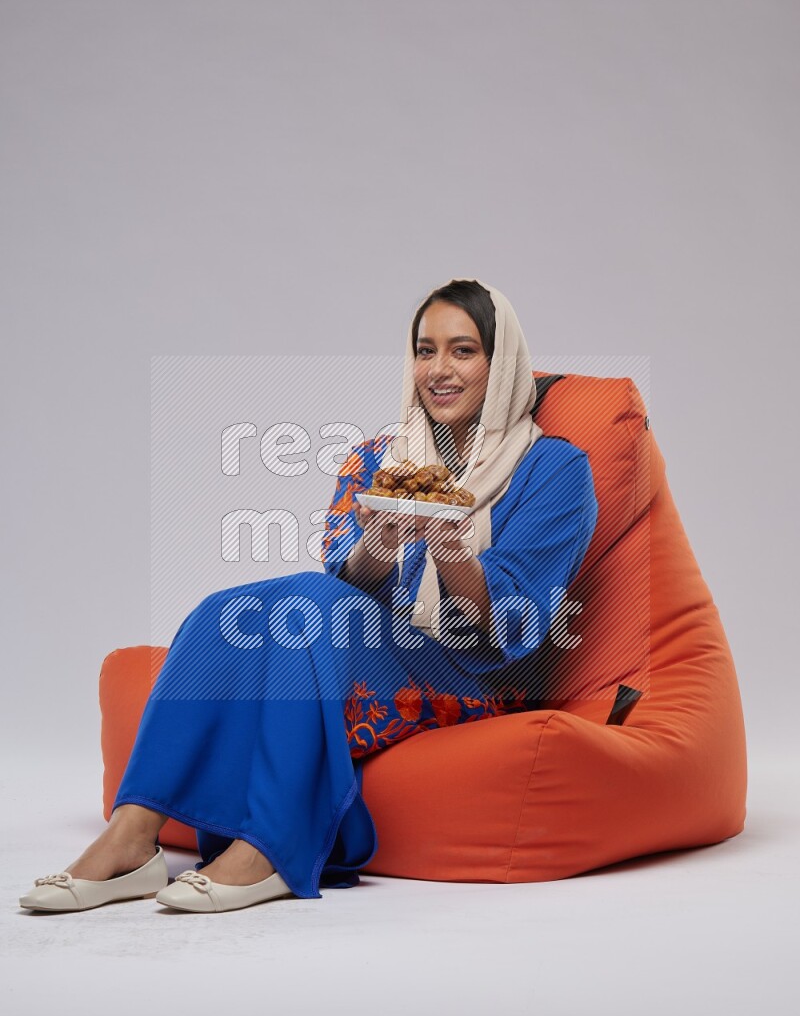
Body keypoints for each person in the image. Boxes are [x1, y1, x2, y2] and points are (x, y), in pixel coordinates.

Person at [19, 279, 599, 914]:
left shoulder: (556, 469)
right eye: (424, 350)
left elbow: (516, 624)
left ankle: (273, 847)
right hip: (370, 642)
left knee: (310, 606)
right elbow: (345, 588)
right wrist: (379, 545)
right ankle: (132, 839)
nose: (438, 370)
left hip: (471, 670)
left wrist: (454, 549)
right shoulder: (378, 458)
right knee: (225, 611)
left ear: (502, 362)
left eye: (462, 351)